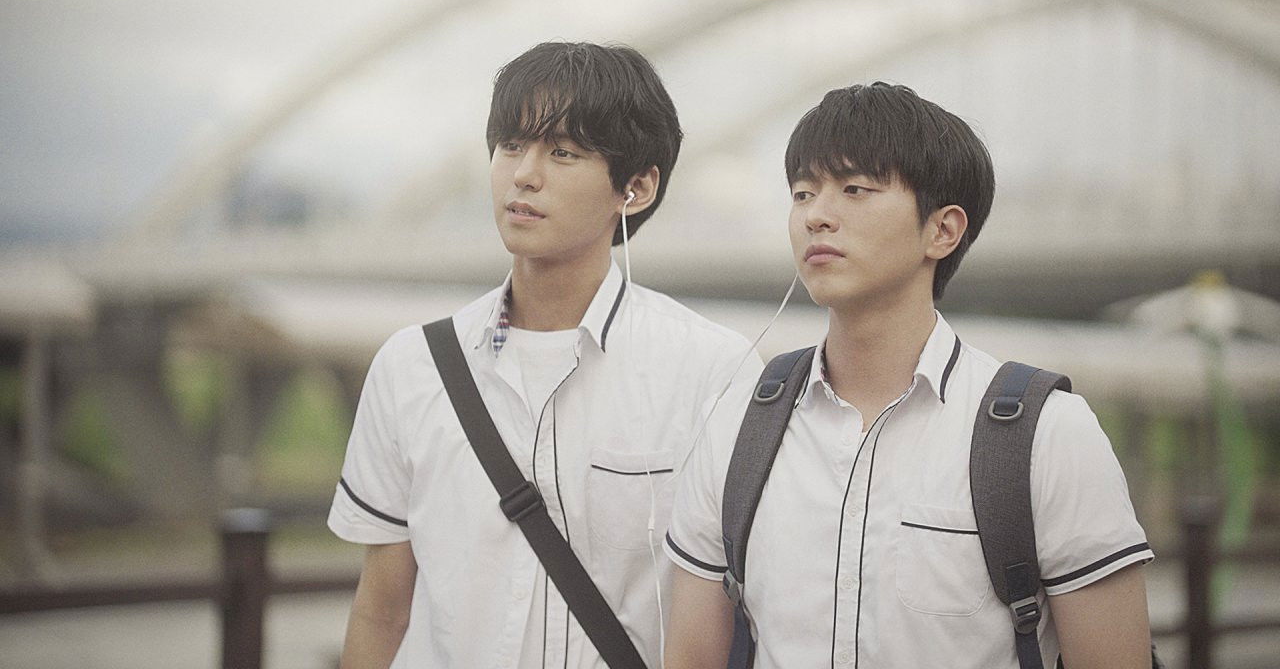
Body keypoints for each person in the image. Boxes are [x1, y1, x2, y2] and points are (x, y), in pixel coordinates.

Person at [663, 83, 1154, 668]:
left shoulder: (1043, 434)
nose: (816, 215)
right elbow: (691, 656)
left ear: (943, 230)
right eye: (802, 193)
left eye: (855, 189)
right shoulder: (738, 425)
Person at [328, 41, 760, 668]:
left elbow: (735, 613)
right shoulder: (412, 366)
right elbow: (381, 610)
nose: (524, 174)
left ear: (636, 187)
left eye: (563, 152)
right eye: (510, 145)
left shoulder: (712, 371)